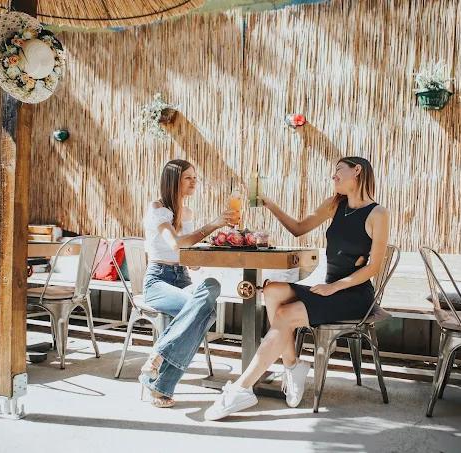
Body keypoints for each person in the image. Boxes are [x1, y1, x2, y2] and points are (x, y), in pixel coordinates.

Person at [204, 156, 389, 420]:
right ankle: (292, 364)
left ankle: (242, 388)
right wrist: (268, 202)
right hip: (329, 290)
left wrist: (333, 287)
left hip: (354, 296)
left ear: (357, 170)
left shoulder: (377, 213)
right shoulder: (335, 205)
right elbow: (298, 229)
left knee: (283, 315)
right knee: (272, 290)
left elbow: (373, 267)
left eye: (338, 171)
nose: (333, 176)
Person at [140, 159, 238, 408]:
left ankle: (159, 353)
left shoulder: (190, 213)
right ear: (174, 180)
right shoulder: (158, 209)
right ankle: (162, 385)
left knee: (212, 286)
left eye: (195, 177)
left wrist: (193, 260)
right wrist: (214, 224)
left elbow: (186, 252)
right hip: (157, 280)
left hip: (182, 278)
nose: (194, 182)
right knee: (203, 311)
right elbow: (176, 244)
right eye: (188, 177)